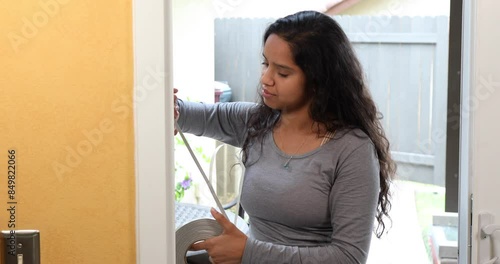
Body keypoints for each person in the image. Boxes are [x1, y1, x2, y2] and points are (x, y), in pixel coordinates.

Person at [174, 10, 396, 264]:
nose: (266, 79)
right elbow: (188, 114)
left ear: (318, 80)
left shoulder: (352, 150)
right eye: (265, 64)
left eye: (282, 73)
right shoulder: (255, 121)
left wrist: (248, 252)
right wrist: (169, 106)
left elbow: (348, 257)